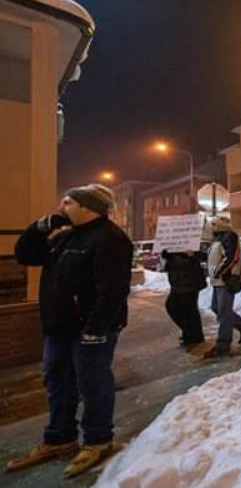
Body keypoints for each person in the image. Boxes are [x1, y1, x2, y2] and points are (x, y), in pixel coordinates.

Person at [9, 184, 132, 477]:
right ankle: (59, 438)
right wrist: (38, 229)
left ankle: (98, 439)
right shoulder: (66, 237)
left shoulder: (110, 239)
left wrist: (97, 327)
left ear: (88, 207)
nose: (61, 207)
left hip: (90, 330)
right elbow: (25, 255)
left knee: (93, 383)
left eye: (67, 202)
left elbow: (113, 289)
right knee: (57, 381)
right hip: (59, 326)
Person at [206, 217, 241, 357]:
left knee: (224, 313)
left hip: (226, 280)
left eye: (213, 224)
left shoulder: (229, 236)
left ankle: (223, 344)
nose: (211, 227)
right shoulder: (216, 239)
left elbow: (232, 257)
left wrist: (218, 272)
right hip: (217, 281)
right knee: (218, 309)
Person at [160, 249, 206, 347]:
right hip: (177, 283)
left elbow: (204, 256)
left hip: (190, 282)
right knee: (173, 307)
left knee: (188, 309)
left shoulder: (192, 242)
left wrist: (191, 254)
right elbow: (169, 265)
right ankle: (192, 334)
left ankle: (193, 336)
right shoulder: (172, 245)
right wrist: (167, 255)